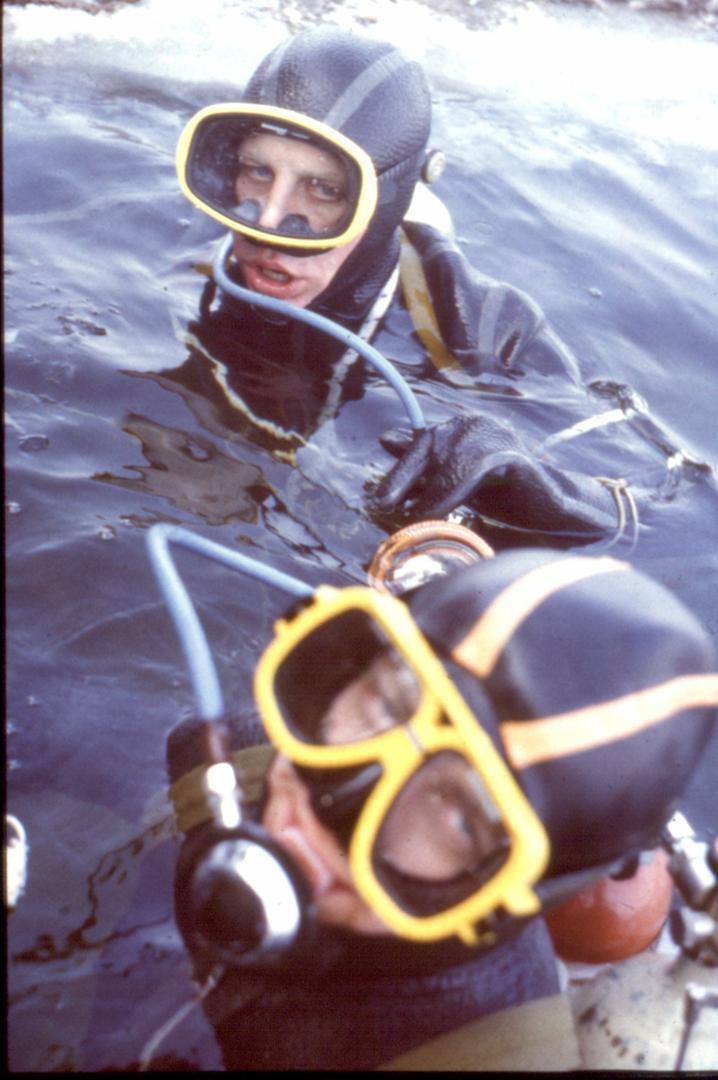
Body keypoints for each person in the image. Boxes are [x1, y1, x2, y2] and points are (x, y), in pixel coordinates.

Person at [164, 543, 717, 1070]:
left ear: (526, 894)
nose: (323, 808)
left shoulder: (479, 1054)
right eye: (387, 704)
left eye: (461, 820)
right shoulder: (231, 755)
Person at [164, 26, 714, 554]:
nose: (269, 223)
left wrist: (552, 494)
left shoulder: (484, 329)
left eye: (324, 190)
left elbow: (692, 519)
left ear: (387, 202)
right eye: (257, 172)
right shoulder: (185, 242)